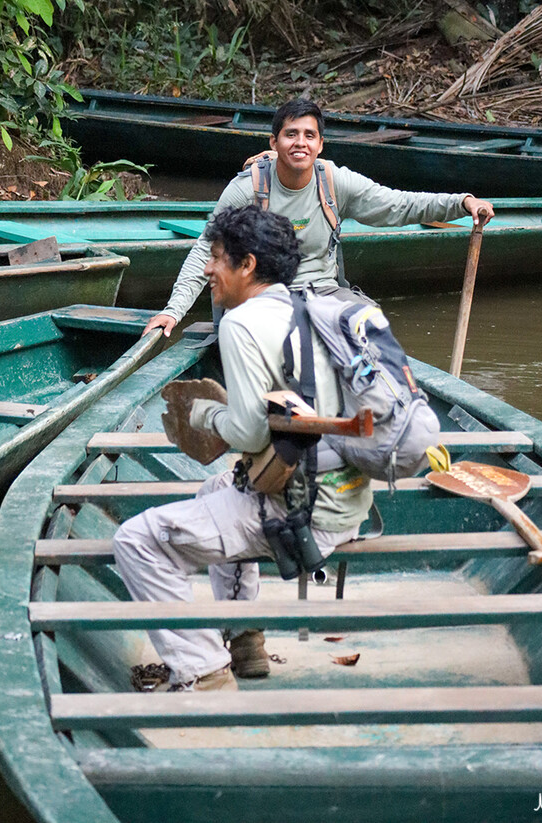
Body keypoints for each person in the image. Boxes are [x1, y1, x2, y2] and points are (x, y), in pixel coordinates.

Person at [114, 206, 377, 692]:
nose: (208, 269)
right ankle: (244, 643)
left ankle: (203, 672)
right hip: (351, 502)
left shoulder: (240, 323)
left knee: (135, 540)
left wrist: (205, 415)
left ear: (247, 265)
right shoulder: (308, 310)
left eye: (215, 258)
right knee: (219, 486)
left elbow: (252, 434)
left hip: (305, 514)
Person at [143, 98, 495, 337]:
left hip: (323, 292)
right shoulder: (247, 189)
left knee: (369, 325)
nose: (300, 143)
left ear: (320, 144)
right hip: (262, 297)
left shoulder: (333, 181)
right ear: (274, 142)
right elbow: (206, 250)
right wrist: (173, 311)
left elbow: (398, 205)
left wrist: (461, 202)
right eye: (291, 134)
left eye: (309, 135)